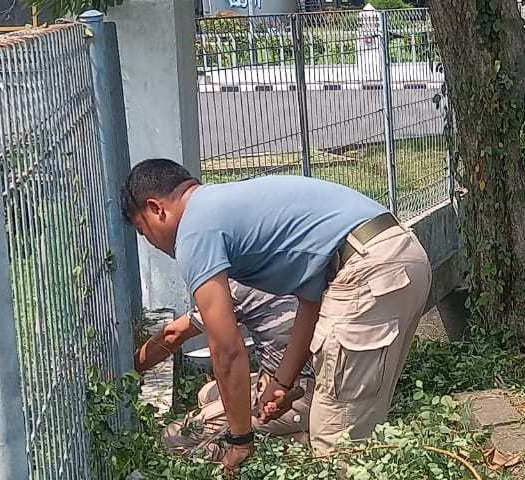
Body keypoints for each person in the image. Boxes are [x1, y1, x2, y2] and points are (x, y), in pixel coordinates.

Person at [121, 161, 432, 469]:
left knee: (337, 446)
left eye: (142, 230)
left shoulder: (194, 230)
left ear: (156, 208)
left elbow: (227, 349)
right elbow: (309, 305)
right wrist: (282, 382)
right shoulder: (228, 209)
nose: (151, 242)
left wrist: (241, 440)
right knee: (354, 425)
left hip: (369, 270)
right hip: (401, 255)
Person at [134, 280, 316, 459]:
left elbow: (174, 334)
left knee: (172, 439)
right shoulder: (272, 267)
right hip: (295, 379)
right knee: (207, 394)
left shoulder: (239, 285)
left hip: (293, 395)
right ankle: (288, 436)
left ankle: (258, 454)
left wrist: (132, 368)